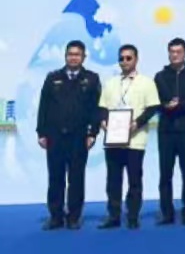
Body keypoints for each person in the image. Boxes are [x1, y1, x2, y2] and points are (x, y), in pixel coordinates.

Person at [37, 40, 102, 231]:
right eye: (70, 54)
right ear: (65, 56)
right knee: (55, 177)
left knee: (76, 178)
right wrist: (41, 132)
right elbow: (43, 107)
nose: (73, 58)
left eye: (77, 54)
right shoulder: (53, 78)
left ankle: (74, 217)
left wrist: (93, 133)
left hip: (79, 137)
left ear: (83, 57)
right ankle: (55, 216)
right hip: (55, 136)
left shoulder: (91, 79)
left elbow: (96, 109)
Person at [97, 44, 161, 230]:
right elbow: (102, 107)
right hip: (113, 140)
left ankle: (133, 216)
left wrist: (137, 123)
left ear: (136, 59)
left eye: (128, 58)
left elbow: (152, 108)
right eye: (121, 58)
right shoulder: (111, 82)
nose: (124, 61)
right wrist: (103, 121)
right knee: (113, 181)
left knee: (134, 180)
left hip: (135, 140)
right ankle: (114, 216)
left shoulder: (147, 82)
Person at [153, 37, 185, 226]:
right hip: (166, 130)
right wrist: (167, 106)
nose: (175, 55)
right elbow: (157, 103)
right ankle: (166, 213)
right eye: (172, 52)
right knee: (165, 173)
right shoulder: (160, 76)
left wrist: (178, 104)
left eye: (178, 52)